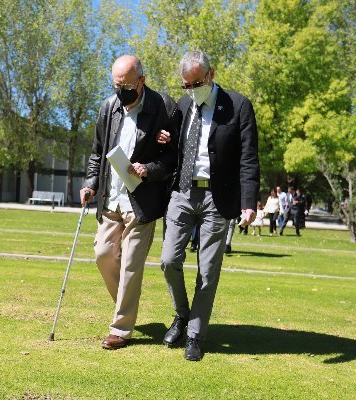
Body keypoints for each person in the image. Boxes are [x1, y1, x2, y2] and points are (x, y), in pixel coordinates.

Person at [159, 51, 260, 361]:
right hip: (183, 192)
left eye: (197, 83)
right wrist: (165, 139)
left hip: (218, 197)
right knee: (168, 260)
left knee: (208, 270)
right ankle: (181, 314)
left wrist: (248, 201)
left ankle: (195, 334)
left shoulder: (238, 105)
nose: (191, 89)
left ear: (212, 73)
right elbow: (178, 146)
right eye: (186, 84)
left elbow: (248, 157)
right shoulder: (184, 104)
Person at [80, 55, 180, 350]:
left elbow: (173, 158)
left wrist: (148, 169)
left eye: (125, 85)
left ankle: (121, 329)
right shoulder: (108, 107)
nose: (120, 91)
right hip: (111, 197)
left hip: (142, 200)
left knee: (131, 266)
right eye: (116, 85)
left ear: (142, 81)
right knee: (103, 254)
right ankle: (127, 305)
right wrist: (89, 183)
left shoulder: (164, 107)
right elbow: (98, 152)